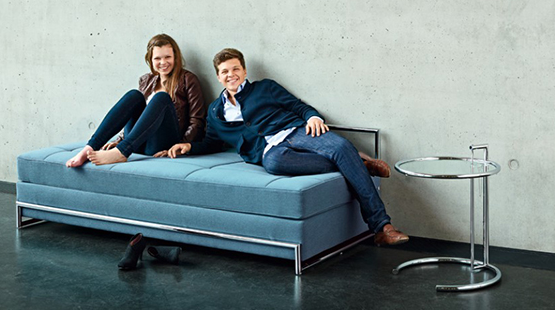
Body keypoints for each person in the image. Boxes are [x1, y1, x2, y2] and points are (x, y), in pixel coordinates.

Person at [167, 48, 408, 246]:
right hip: (270, 152)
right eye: (225, 71)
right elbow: (211, 141)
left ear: (244, 70)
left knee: (341, 146)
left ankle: (382, 227)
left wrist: (313, 117)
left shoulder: (265, 87)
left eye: (236, 69)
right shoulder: (215, 111)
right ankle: (359, 163)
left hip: (297, 131)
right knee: (274, 164)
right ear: (218, 76)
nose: (231, 75)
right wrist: (189, 146)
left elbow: (298, 106)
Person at [66, 34, 206, 167]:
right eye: (157, 58)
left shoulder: (188, 80)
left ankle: (122, 151)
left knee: (161, 97)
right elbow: (133, 115)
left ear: (175, 57)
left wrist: (179, 147)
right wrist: (119, 140)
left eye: (168, 57)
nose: (163, 62)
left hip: (162, 145)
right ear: (150, 60)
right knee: (134, 95)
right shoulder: (146, 80)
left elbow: (197, 121)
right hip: (138, 144)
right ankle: (90, 148)